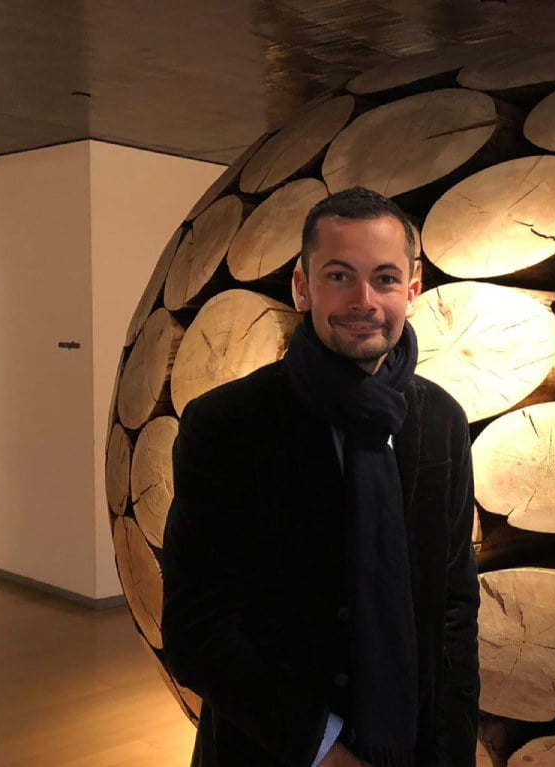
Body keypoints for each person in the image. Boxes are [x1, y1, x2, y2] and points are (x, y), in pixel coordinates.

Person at [162, 187, 480, 767]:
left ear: (412, 291)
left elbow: (454, 609)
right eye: (339, 276)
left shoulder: (441, 421)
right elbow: (196, 629)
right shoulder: (226, 424)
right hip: (276, 752)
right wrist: (324, 749)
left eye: (385, 278)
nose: (364, 300)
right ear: (301, 287)